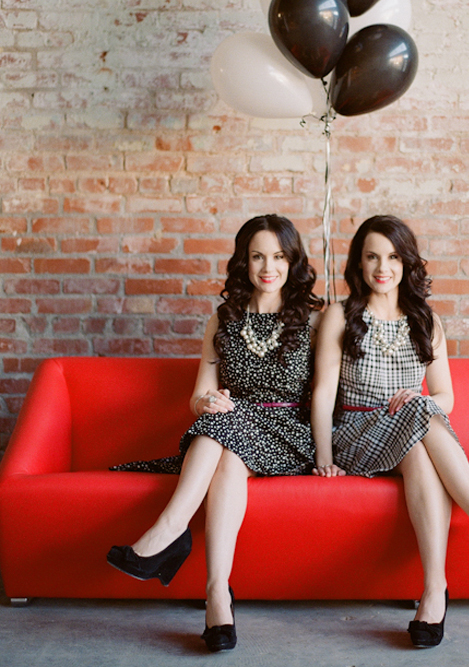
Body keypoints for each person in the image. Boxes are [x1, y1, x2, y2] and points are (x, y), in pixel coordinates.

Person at [311, 215, 469, 649]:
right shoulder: (340, 315)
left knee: (419, 436)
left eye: (393, 257)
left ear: (407, 263)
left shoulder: (426, 321)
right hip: (355, 433)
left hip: (407, 433)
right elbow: (323, 392)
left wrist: (420, 401)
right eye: (372, 257)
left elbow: (445, 396)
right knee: (418, 415)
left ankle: (434, 591)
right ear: (358, 263)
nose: (383, 267)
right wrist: (324, 458)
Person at [107, 215, 323, 652]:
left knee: (224, 429)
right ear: (243, 261)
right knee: (225, 445)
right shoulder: (222, 319)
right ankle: (217, 596)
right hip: (233, 433)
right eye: (257, 256)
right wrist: (206, 402)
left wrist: (325, 454)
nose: (268, 267)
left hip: (288, 434)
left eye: (278, 257)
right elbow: (198, 396)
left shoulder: (315, 319)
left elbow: (325, 392)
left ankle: (170, 530)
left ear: (293, 261)